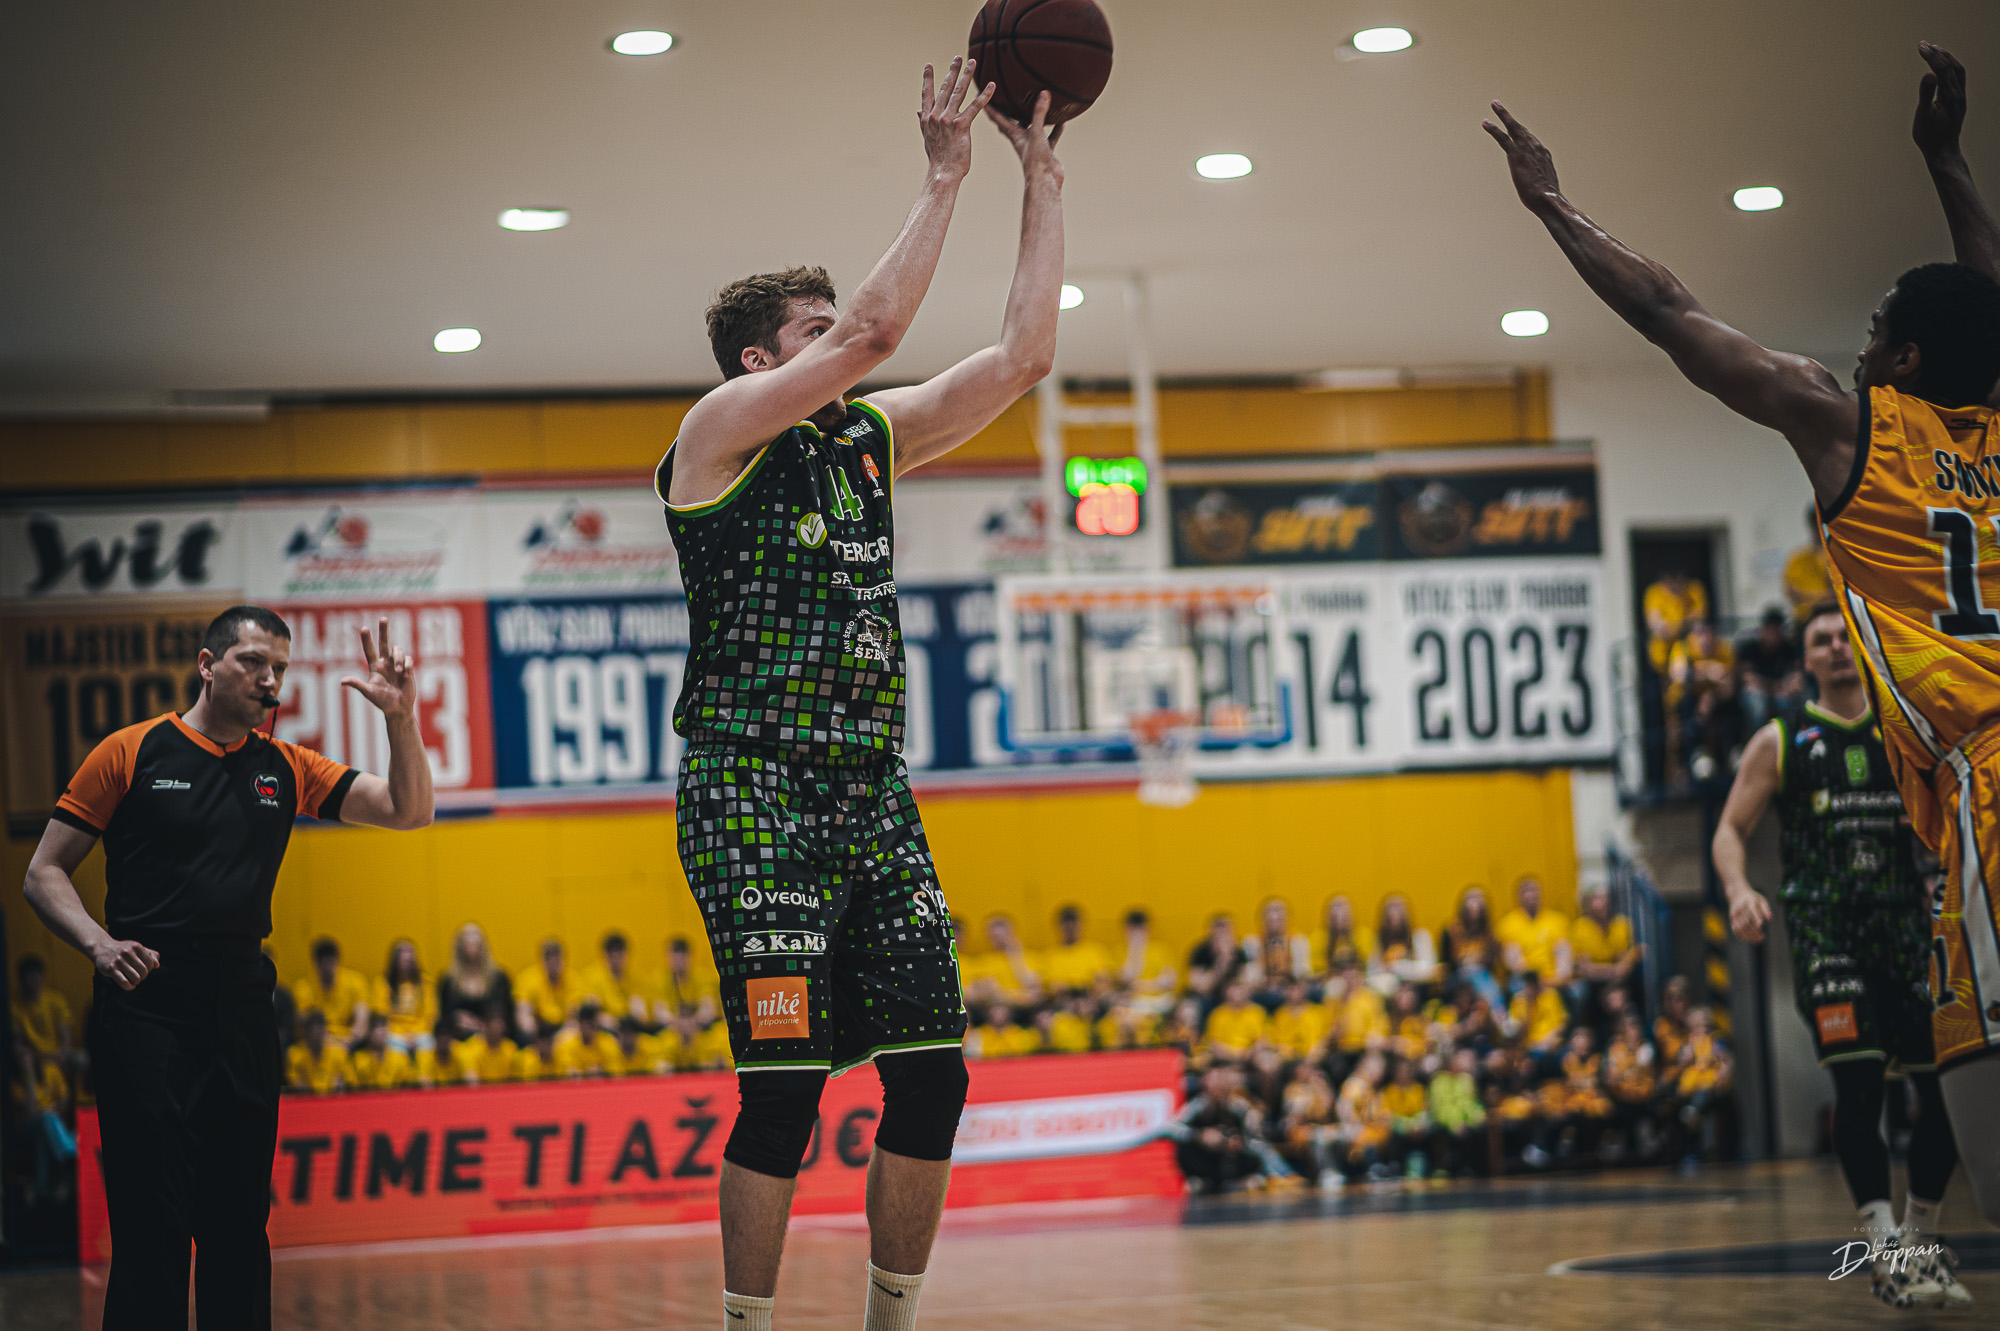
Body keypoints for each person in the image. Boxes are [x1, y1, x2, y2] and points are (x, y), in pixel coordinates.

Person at [1487, 41, 2000, 1236]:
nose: (1861, 344)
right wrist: (1945, 159)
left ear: (1903, 361)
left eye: (1876, 330)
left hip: (1984, 772)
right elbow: (1986, 308)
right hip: (1961, 789)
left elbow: (1668, 311)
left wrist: (1552, 205)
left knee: (1981, 1098)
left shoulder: (1850, 426)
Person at [655, 54, 1066, 1331]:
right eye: (811, 330)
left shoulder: (866, 439)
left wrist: (1039, 180)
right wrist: (943, 174)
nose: (839, 338)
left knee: (934, 1077)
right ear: (753, 358)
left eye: (833, 324)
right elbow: (877, 335)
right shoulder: (714, 435)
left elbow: (1023, 355)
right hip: (750, 789)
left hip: (869, 791)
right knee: (783, 1091)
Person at [20, 606, 431, 1331]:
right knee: (151, 1230)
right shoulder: (130, 752)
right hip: (144, 1007)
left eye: (280, 667)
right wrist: (97, 944)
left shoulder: (287, 767)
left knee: (239, 1228)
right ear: (208, 665)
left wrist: (401, 719)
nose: (271, 679)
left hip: (241, 1009)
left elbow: (409, 809)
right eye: (253, 662)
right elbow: (43, 871)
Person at [1712, 604, 1968, 1306]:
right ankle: (1884, 1252)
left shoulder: (1903, 729)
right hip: (1827, 930)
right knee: (1859, 1086)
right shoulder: (1780, 739)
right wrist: (1738, 889)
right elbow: (1729, 828)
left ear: (1860, 645)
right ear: (1805, 661)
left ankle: (1918, 1245)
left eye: (1840, 636)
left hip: (1906, 927)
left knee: (1942, 1096)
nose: (1832, 647)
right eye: (1818, 640)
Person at [436, 922, 512, 1042]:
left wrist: (484, 1025)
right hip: (458, 1037)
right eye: (467, 939)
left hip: (491, 1038)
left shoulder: (498, 977)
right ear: (459, 946)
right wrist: (456, 1019)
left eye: (475, 938)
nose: (471, 943)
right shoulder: (448, 980)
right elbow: (443, 1014)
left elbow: (505, 1011)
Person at [291, 936, 369, 1048]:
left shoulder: (356, 982)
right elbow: (303, 1024)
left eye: (331, 962)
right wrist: (331, 1042)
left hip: (348, 1041)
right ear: (315, 964)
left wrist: (351, 1039)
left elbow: (362, 1019)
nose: (327, 968)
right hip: (318, 1043)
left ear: (337, 960)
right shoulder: (303, 988)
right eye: (323, 963)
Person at [1495, 876, 1572, 987]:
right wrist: (1538, 981)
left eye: (1534, 890)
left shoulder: (1558, 920)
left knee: (1578, 990)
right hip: (1525, 979)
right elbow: (1513, 961)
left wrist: (1558, 979)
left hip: (1556, 978)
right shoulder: (1507, 924)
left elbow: (1564, 953)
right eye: (1526, 891)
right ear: (1518, 896)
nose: (1531, 895)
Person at [1738, 607, 1805, 728]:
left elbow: (1797, 675)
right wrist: (1772, 687)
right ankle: (1759, 735)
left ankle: (1788, 734)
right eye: (1770, 630)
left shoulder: (1788, 648)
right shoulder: (1750, 649)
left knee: (1789, 701)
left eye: (1777, 630)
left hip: (1782, 691)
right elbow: (1747, 678)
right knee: (1757, 703)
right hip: (1758, 691)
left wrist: (1788, 685)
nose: (1774, 635)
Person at [373, 938, 436, 1059]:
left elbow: (430, 1015)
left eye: (410, 953)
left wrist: (414, 1034)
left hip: (420, 1032)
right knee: (395, 1050)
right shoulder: (382, 983)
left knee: (427, 1047)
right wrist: (402, 1034)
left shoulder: (426, 983)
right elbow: (382, 1016)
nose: (407, 957)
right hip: (393, 1033)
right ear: (394, 959)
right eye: (402, 953)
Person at [1038, 904, 1112, 996]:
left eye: (1074, 921)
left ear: (1082, 923)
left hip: (1090, 998)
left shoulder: (1096, 951)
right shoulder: (1049, 955)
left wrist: (1088, 987)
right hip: (1061, 1000)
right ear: (1057, 925)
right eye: (1065, 922)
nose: (1070, 926)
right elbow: (1047, 988)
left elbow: (1104, 982)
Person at [515, 938, 578, 1041]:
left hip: (563, 1029)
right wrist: (536, 1035)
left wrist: (559, 1037)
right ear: (542, 960)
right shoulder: (528, 979)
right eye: (549, 959)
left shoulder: (572, 979)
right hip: (539, 1029)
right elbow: (523, 1011)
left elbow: (574, 1017)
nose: (553, 964)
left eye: (557, 959)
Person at [1783, 503, 1835, 625]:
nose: (1818, 528)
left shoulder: (1834, 556)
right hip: (1805, 620)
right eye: (1815, 523)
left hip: (1832, 617)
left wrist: (1809, 599)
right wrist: (1824, 598)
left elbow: (1838, 593)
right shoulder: (1798, 558)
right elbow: (1791, 592)